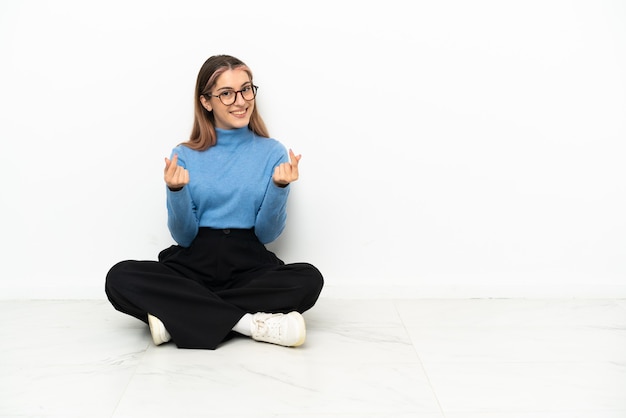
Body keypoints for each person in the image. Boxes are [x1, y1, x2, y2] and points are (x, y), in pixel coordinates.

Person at [105, 54, 324, 350]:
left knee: (309, 279)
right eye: (226, 93)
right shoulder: (185, 154)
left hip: (248, 262)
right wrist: (176, 191)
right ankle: (249, 324)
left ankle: (177, 317)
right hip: (194, 262)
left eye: (246, 89)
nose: (241, 100)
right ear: (206, 101)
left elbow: (266, 235)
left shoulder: (272, 152)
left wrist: (279, 186)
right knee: (119, 277)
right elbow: (184, 236)